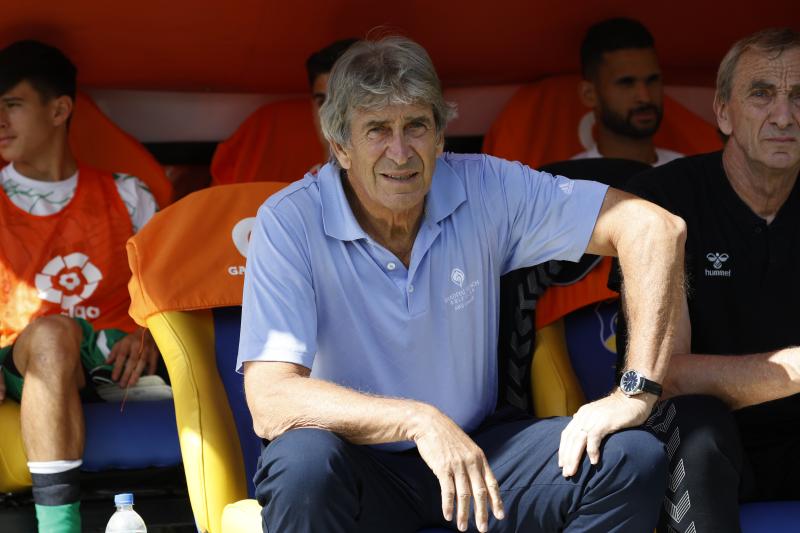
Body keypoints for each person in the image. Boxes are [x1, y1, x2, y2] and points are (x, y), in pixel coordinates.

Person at [239, 36, 687, 533]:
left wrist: (636, 392)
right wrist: (418, 419)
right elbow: (271, 400)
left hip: (479, 454)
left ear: (440, 137)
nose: (401, 151)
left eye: (416, 126)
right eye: (377, 130)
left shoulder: (486, 186)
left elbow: (654, 229)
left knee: (630, 457)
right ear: (340, 146)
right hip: (356, 465)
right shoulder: (290, 220)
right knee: (301, 465)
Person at [610, 28, 800, 532]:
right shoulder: (661, 200)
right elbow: (664, 375)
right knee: (696, 426)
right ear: (723, 112)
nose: (785, 116)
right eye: (762, 94)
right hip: (711, 438)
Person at [0, 40, 163, 533]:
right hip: (22, 358)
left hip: (114, 362)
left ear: (59, 109)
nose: (0, 122)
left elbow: (166, 296)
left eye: (11, 106)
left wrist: (151, 334)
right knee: (52, 335)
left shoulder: (128, 194)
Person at [575, 18, 682, 166]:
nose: (645, 98)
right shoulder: (567, 183)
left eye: (652, 80)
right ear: (589, 94)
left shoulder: (692, 176)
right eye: (626, 82)